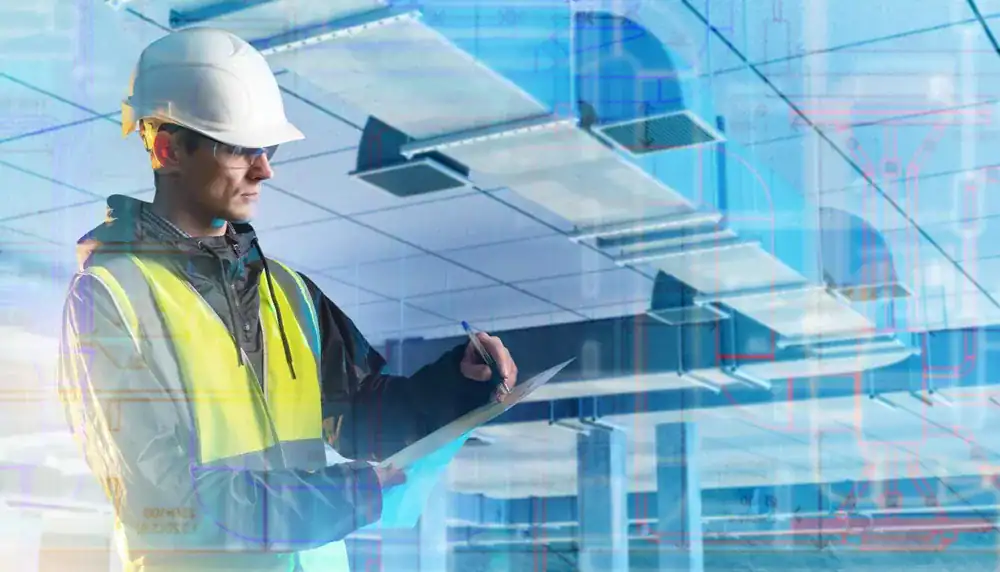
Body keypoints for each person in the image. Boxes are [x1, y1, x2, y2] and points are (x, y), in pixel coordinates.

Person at [57, 27, 518, 572]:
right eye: (241, 149)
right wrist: (341, 497)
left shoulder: (289, 292)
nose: (265, 169)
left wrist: (456, 386)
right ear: (169, 149)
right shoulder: (109, 300)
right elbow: (162, 501)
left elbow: (361, 413)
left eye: (267, 149)